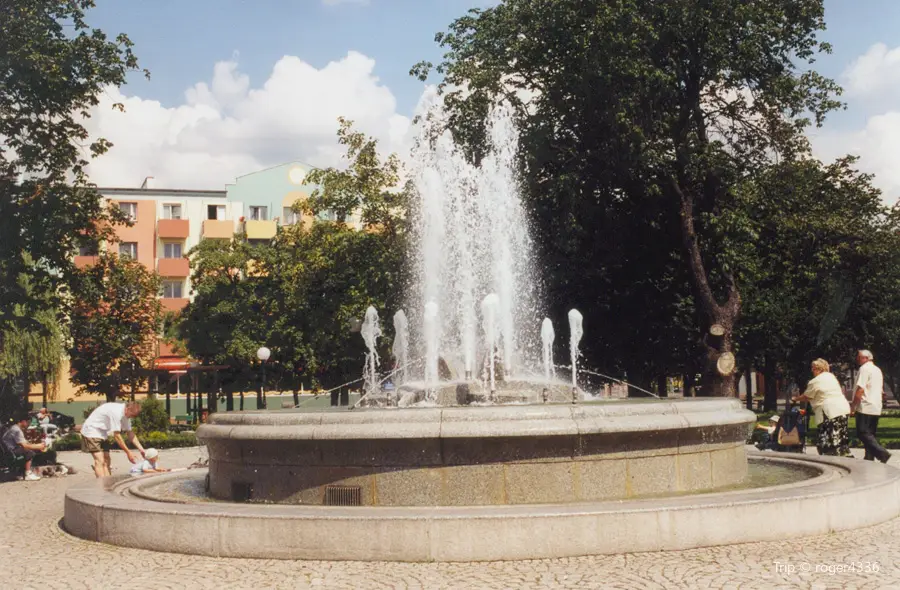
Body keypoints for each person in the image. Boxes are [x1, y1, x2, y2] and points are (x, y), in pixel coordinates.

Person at [791, 359, 852, 457]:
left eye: (813, 368)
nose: (812, 370)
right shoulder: (831, 377)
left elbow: (807, 396)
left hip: (829, 412)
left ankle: (831, 463)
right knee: (841, 440)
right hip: (842, 409)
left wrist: (795, 398)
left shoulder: (815, 381)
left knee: (825, 442)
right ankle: (846, 459)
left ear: (819, 369)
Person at [80, 400, 146, 477]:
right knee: (100, 460)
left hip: (103, 432)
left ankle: (108, 483)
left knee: (107, 459)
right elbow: (117, 436)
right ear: (127, 409)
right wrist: (128, 452)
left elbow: (130, 433)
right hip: (91, 430)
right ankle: (101, 485)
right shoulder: (116, 412)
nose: (132, 417)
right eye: (132, 415)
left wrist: (142, 450)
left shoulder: (125, 414)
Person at [851, 350, 891, 463]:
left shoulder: (864, 369)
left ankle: (882, 454)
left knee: (862, 433)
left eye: (859, 357)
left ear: (866, 358)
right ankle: (869, 458)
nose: (857, 359)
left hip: (865, 405)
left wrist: (853, 406)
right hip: (876, 406)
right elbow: (881, 390)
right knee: (870, 434)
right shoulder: (877, 370)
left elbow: (860, 389)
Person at [2, 415, 47, 481]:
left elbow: (24, 442)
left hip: (8, 451)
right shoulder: (17, 430)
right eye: (28, 422)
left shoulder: (14, 428)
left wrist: (37, 445)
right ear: (23, 421)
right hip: (10, 452)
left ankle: (19, 473)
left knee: (26, 450)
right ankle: (28, 474)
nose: (29, 424)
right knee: (29, 452)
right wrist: (38, 446)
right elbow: (25, 446)